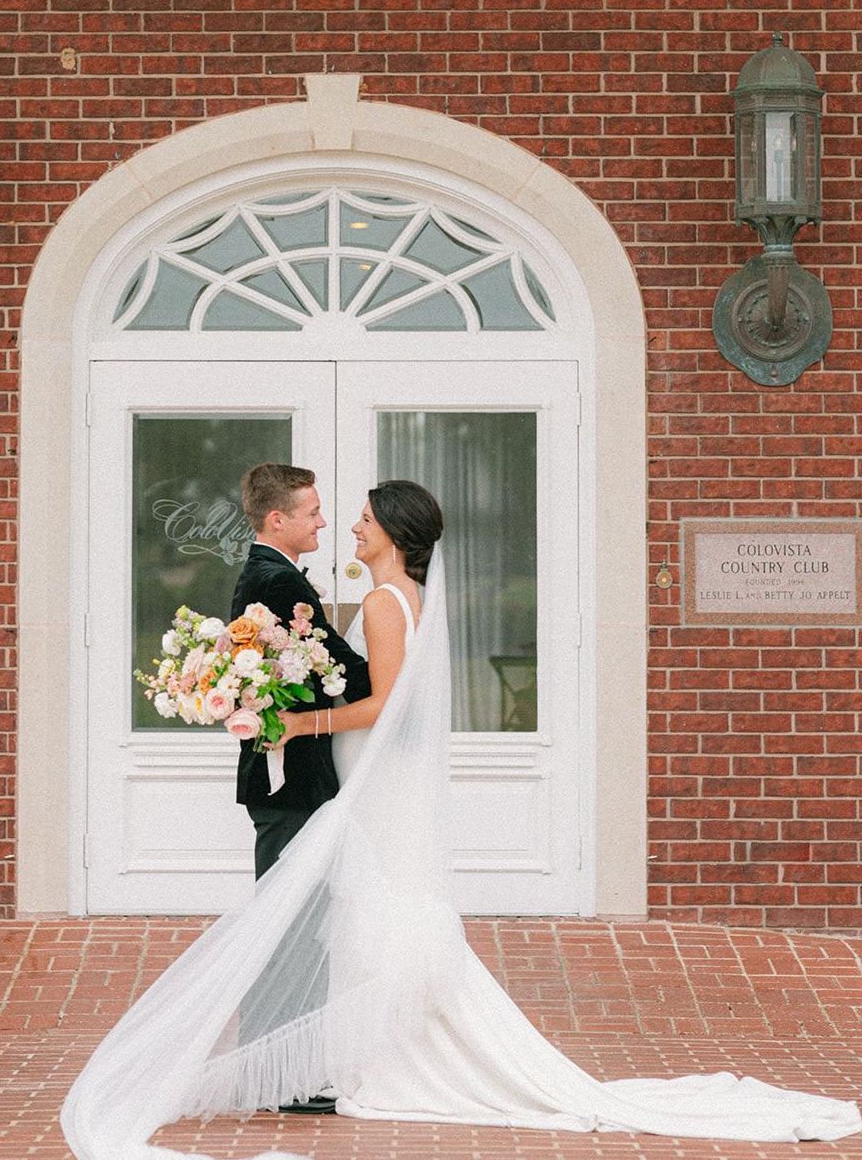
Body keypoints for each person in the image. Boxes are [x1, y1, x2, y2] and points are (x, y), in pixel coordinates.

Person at [62, 480, 861, 1160]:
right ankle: (364, 1051)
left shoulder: (383, 600)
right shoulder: (396, 596)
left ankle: (387, 1056)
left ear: (393, 536)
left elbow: (382, 703)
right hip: (373, 773)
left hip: (367, 774)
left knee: (372, 911)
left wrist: (294, 725)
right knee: (370, 911)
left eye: (365, 520)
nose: (350, 526)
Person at [231, 463, 371, 883]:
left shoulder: (268, 574)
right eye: (312, 513)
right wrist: (394, 688)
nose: (322, 522)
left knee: (292, 909)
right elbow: (333, 657)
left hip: (291, 769)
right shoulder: (279, 582)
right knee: (287, 915)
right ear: (277, 520)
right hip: (292, 772)